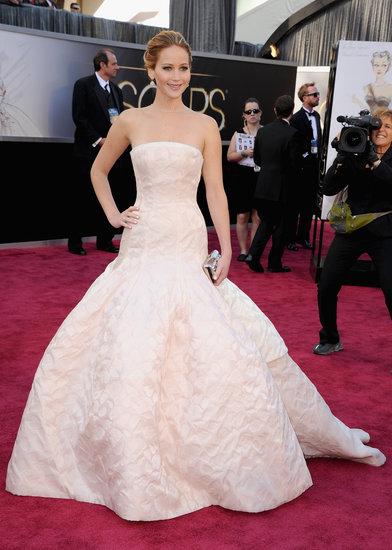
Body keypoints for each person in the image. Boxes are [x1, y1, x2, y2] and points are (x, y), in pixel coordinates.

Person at [6, 30, 385, 523]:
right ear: (151, 69)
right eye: (168, 68)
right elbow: (98, 171)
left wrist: (227, 248)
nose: (176, 77)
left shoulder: (206, 124)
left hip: (186, 237)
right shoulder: (132, 121)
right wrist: (114, 216)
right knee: (132, 339)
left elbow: (217, 194)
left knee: (208, 336)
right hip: (144, 242)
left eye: (183, 68)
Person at [313, 109, 392, 355]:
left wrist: (376, 162)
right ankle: (330, 338)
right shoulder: (355, 151)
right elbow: (327, 188)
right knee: (326, 285)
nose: (382, 130)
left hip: (385, 233)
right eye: (378, 126)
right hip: (352, 229)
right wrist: (341, 155)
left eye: (388, 126)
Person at [68, 49, 126, 255]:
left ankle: (105, 240)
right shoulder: (83, 85)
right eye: (114, 63)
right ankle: (75, 243)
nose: (118, 67)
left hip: (112, 155)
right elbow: (79, 117)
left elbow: (119, 121)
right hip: (88, 153)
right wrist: (99, 140)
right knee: (82, 198)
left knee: (111, 196)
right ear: (102, 65)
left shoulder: (117, 91)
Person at [245, 95, 300, 273]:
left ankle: (254, 255)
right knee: (281, 227)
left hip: (262, 187)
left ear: (275, 110)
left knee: (267, 223)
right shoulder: (293, 134)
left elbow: (258, 159)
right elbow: (294, 165)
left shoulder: (263, 131)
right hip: (282, 190)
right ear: (291, 112)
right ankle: (273, 262)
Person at [286, 82, 322, 251]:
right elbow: (294, 146)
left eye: (317, 94)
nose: (317, 97)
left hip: (314, 168)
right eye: (314, 95)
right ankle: (290, 239)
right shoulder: (296, 118)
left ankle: (304, 237)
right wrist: (304, 157)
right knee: (294, 206)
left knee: (309, 205)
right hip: (300, 169)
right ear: (304, 98)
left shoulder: (317, 116)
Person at [227, 98, 261, 261]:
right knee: (242, 216)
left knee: (257, 216)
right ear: (244, 115)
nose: (252, 114)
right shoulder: (238, 133)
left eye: (255, 111)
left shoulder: (265, 132)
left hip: (260, 176)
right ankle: (243, 250)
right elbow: (230, 156)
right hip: (242, 177)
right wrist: (244, 153)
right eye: (249, 112)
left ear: (260, 113)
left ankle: (253, 252)